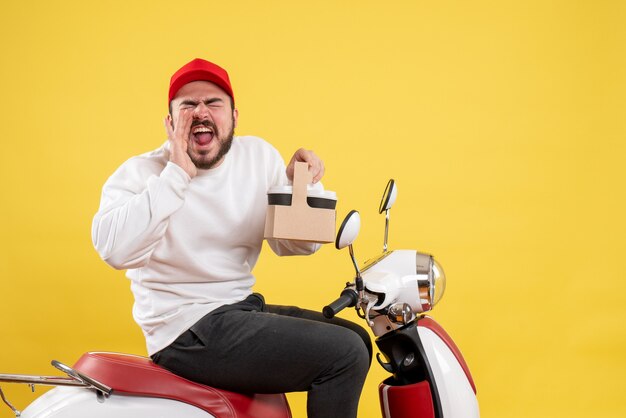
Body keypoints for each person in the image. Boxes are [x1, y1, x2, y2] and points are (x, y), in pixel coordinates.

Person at [92, 58, 371, 418]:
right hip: (183, 330)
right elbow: (113, 251)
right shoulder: (140, 173)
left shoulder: (258, 157)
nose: (200, 112)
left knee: (358, 339)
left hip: (239, 309)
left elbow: (297, 246)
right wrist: (177, 173)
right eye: (188, 105)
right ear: (170, 122)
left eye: (213, 103)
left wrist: (297, 186)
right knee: (343, 353)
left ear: (234, 117)